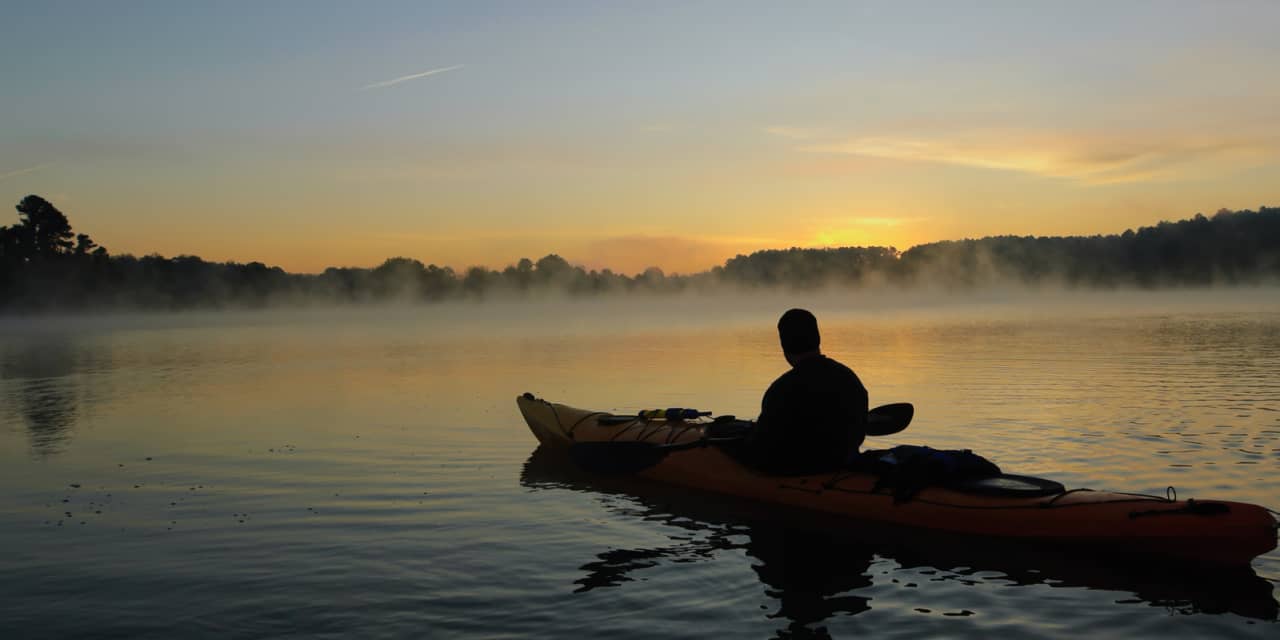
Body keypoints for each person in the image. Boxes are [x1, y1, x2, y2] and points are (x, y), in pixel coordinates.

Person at [742, 308, 868, 474]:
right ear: (818, 339)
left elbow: (761, 446)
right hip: (841, 461)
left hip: (800, 469)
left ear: (784, 345)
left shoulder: (781, 389)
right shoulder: (850, 378)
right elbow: (858, 434)